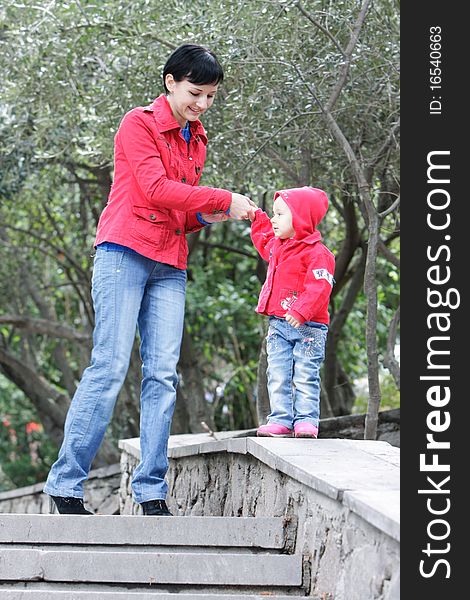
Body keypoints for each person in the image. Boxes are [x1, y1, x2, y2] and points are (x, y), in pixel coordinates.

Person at [44, 43, 256, 515]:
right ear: (170, 82)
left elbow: (181, 212)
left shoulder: (196, 138)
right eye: (195, 93)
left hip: (170, 263)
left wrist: (212, 216)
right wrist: (223, 198)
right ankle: (66, 484)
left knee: (163, 375)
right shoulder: (137, 123)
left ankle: (151, 492)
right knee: (111, 365)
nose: (202, 105)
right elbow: (156, 189)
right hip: (123, 251)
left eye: (210, 97)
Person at [250, 187, 335, 439]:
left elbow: (320, 287)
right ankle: (281, 419)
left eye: (280, 215)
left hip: (309, 327)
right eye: (273, 215)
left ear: (300, 218)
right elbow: (263, 239)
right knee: (277, 372)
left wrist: (300, 311)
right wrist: (258, 218)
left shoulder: (319, 254)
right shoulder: (278, 246)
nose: (274, 219)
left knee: (306, 374)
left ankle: (307, 421)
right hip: (278, 325)